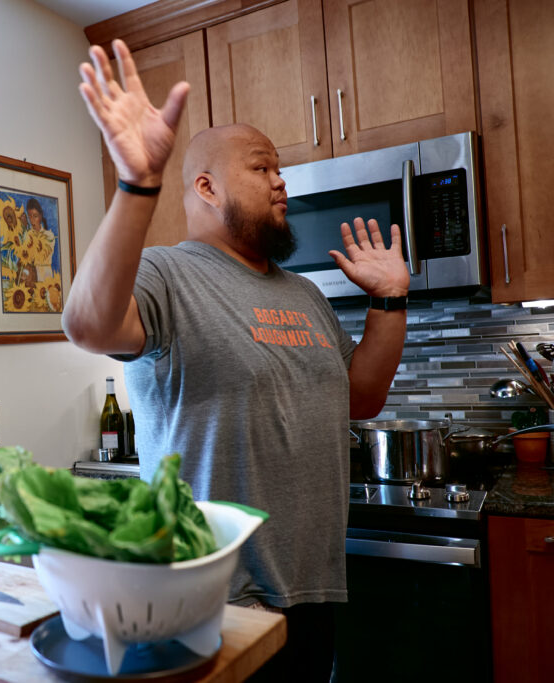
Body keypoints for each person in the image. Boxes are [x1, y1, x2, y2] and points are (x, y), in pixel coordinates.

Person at [62, 39, 409, 681]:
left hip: (312, 589)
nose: (282, 181)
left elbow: (360, 398)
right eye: (262, 168)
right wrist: (137, 184)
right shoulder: (167, 273)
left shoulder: (303, 293)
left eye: (280, 169)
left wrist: (390, 302)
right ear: (206, 186)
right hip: (210, 598)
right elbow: (88, 323)